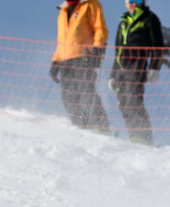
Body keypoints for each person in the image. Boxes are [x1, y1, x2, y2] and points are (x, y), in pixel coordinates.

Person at [108, 0, 164, 145]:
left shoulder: (150, 19)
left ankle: (144, 137)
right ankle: (134, 136)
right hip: (121, 68)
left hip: (137, 65)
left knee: (133, 99)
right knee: (123, 102)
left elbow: (158, 47)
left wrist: (154, 68)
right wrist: (112, 75)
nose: (134, 3)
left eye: (138, 0)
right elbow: (117, 52)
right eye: (130, 0)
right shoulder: (123, 23)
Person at [49, 0, 111, 132]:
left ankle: (102, 128)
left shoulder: (90, 5)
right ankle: (83, 127)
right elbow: (62, 40)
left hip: (83, 57)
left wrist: (97, 48)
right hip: (66, 60)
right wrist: (56, 61)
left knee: (86, 93)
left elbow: (100, 28)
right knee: (68, 98)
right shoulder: (63, 11)